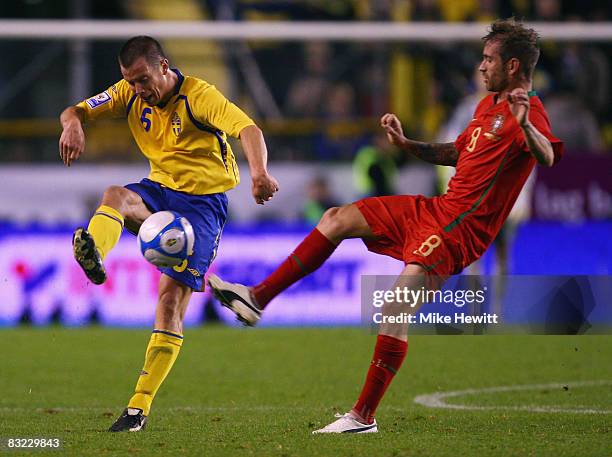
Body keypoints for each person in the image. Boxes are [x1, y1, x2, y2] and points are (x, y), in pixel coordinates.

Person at [208, 19, 563, 433]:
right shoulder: (486, 107)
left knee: (394, 308)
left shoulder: (529, 111)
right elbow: (457, 153)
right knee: (336, 218)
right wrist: (407, 144)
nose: (482, 66)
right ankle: (257, 297)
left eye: (489, 59)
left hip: (460, 229)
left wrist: (524, 124)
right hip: (436, 209)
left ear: (514, 65)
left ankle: (362, 417)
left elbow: (548, 157)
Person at [58, 36, 279, 432]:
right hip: (159, 191)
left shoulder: (199, 96)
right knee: (115, 196)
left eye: (143, 80)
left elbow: (248, 129)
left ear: (164, 67)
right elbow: (75, 110)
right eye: (130, 81)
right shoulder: (129, 92)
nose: (138, 90)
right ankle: (94, 254)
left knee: (169, 302)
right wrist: (73, 123)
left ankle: (137, 408)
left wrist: (259, 173)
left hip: (202, 205)